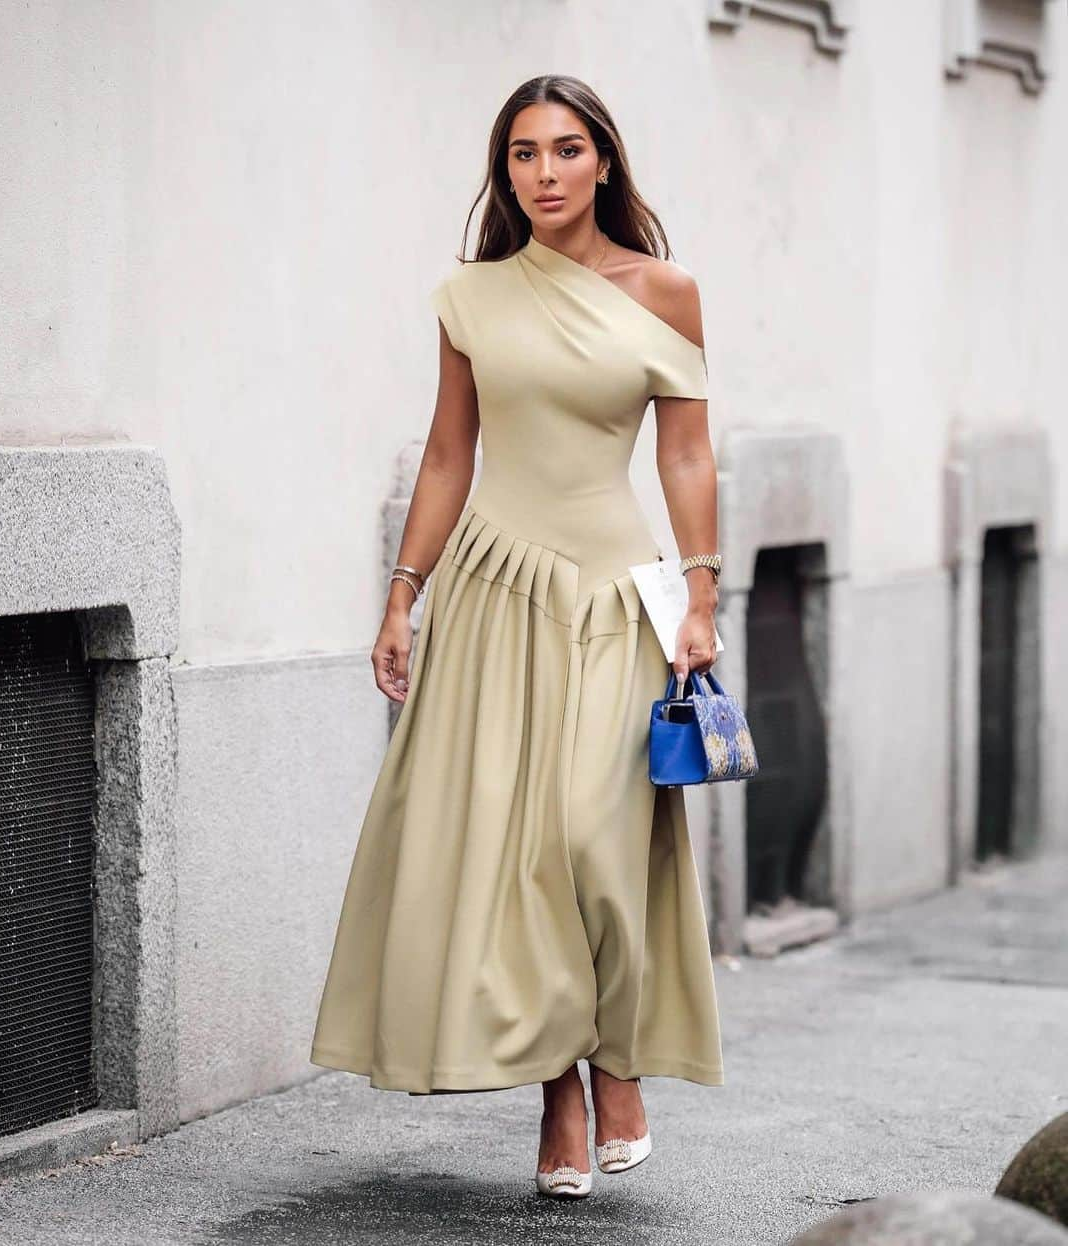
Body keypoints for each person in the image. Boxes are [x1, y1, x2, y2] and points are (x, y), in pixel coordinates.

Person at [310, 73, 724, 1199]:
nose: (544, 173)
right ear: (506, 174)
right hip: (494, 589)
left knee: (595, 829)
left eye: (566, 150)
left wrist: (701, 594)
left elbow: (684, 453)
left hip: (610, 595)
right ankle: (559, 1092)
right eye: (523, 156)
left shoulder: (666, 291)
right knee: (517, 846)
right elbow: (451, 456)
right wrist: (403, 594)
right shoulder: (470, 298)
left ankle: (621, 1057)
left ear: (604, 162)